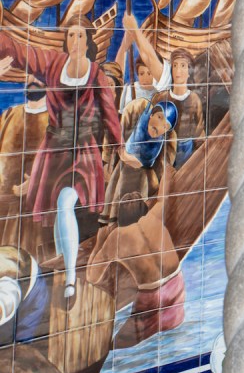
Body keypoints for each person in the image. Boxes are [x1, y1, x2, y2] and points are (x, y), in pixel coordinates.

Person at [0, 16, 122, 230]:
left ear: (88, 41)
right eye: (71, 35)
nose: (75, 40)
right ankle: (65, 262)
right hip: (54, 149)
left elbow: (110, 113)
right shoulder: (53, 63)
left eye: (80, 35)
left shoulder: (96, 74)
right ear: (66, 40)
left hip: (82, 151)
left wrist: (120, 147)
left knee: (65, 204)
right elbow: (22, 53)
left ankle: (71, 265)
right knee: (57, 210)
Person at [87, 167, 185, 348]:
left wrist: (99, 243)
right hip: (176, 287)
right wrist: (168, 172)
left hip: (151, 296)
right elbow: (164, 195)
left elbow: (92, 276)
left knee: (115, 346)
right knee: (168, 334)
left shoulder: (116, 238)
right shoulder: (154, 217)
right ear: (144, 210)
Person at [99, 100, 178, 223]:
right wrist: (110, 158)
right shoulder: (141, 114)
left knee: (130, 208)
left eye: (165, 126)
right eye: (159, 117)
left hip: (139, 174)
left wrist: (125, 156)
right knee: (116, 189)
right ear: (151, 115)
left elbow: (141, 163)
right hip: (123, 165)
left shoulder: (156, 145)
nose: (159, 125)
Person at [152, 49, 204, 168]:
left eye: (183, 66)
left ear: (189, 71)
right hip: (163, 151)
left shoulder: (194, 99)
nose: (178, 70)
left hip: (186, 151)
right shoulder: (160, 98)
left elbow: (199, 131)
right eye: (175, 65)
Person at [0, 71, 48, 196]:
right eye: (32, 76)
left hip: (34, 200)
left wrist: (37, 181)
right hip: (3, 198)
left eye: (40, 78)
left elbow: (61, 162)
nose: (34, 81)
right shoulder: (9, 113)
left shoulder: (55, 120)